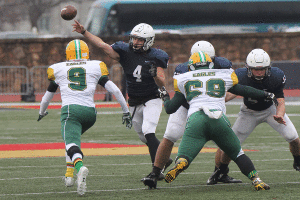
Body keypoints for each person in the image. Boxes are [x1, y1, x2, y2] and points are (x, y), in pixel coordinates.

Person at [157, 51, 277, 191]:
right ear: (211, 64)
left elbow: (170, 109)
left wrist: (165, 97)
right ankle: (256, 179)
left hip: (196, 119)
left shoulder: (184, 78)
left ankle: (181, 162)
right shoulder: (222, 74)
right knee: (238, 153)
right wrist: (265, 94)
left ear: (191, 66)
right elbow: (243, 90)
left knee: (184, 154)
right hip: (218, 118)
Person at [72, 21, 171, 178]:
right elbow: (102, 45)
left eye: (140, 40)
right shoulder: (125, 51)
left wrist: (154, 75)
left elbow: (162, 82)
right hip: (134, 100)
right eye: (134, 38)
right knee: (142, 135)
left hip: (152, 98)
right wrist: (84, 32)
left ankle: (156, 171)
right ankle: (164, 158)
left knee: (148, 131)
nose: (136, 42)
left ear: (149, 41)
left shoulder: (156, 56)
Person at [141, 41, 242, 188]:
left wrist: (224, 97)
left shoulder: (223, 65)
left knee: (224, 139)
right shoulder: (183, 69)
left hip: (213, 105)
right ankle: (155, 173)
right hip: (187, 105)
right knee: (170, 135)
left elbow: (235, 87)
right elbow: (179, 95)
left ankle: (220, 173)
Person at [37, 39, 132, 195]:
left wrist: (42, 112)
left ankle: (80, 168)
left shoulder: (58, 69)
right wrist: (125, 110)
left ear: (68, 54)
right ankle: (69, 176)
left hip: (71, 111)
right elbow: (115, 90)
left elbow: (47, 97)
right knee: (72, 141)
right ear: (87, 53)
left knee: (70, 143)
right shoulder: (95, 66)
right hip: (90, 114)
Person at [207, 48, 300, 184]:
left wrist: (279, 115)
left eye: (262, 69)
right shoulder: (240, 76)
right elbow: (229, 95)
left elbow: (280, 101)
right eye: (256, 69)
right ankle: (221, 171)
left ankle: (297, 160)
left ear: (268, 68)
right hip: (248, 112)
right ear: (248, 68)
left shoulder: (276, 76)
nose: (259, 72)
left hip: (270, 110)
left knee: (293, 137)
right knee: (229, 145)